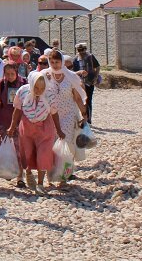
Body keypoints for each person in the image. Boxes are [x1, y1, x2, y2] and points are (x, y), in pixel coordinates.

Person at [7, 71, 66, 195]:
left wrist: (59, 130)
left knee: (43, 154)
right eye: (36, 88)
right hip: (27, 127)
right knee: (27, 153)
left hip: (45, 127)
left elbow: (54, 113)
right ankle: (28, 172)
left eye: (42, 88)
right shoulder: (23, 92)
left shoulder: (50, 94)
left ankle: (40, 183)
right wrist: (12, 126)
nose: (39, 90)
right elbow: (17, 110)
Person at [42, 50, 87, 188]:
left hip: (68, 114)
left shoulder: (70, 76)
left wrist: (84, 114)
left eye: (57, 62)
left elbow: (77, 97)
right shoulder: (45, 76)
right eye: (53, 62)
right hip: (51, 115)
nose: (55, 65)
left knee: (67, 145)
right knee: (51, 145)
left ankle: (64, 177)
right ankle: (51, 175)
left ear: (62, 61)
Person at [0, 63, 27, 187]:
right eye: (7, 74)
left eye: (12, 74)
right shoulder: (1, 84)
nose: (10, 76)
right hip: (4, 121)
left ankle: (20, 176)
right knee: (5, 147)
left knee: (19, 149)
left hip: (20, 121)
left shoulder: (24, 83)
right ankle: (8, 170)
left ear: (16, 72)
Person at [72, 43, 101, 123]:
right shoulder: (75, 59)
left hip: (89, 82)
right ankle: (83, 117)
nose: (81, 52)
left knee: (88, 100)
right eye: (79, 50)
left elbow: (97, 67)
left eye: (82, 49)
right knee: (80, 100)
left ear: (85, 49)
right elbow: (73, 71)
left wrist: (95, 77)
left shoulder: (90, 57)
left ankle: (88, 119)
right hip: (79, 82)